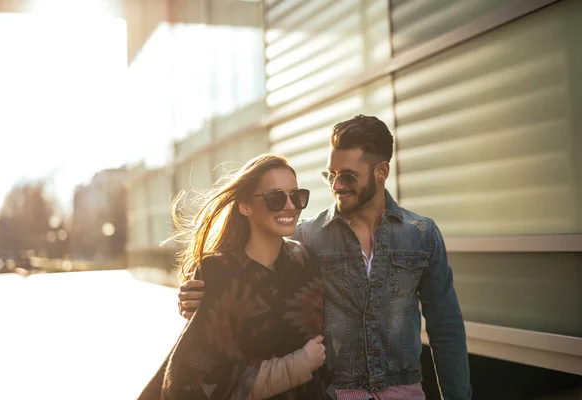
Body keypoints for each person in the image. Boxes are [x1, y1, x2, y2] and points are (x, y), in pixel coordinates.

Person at [179, 115, 473, 400]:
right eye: (331, 175)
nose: (336, 185)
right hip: (337, 392)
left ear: (381, 171)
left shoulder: (422, 235)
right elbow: (256, 284)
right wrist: (200, 298)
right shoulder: (307, 238)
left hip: (403, 391)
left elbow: (445, 328)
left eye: (347, 176)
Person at [139, 154, 329, 400]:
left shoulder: (307, 262)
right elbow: (195, 380)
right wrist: (297, 366)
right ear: (245, 206)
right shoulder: (219, 272)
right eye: (276, 197)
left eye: (297, 195)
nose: (291, 206)